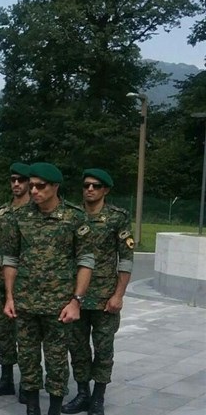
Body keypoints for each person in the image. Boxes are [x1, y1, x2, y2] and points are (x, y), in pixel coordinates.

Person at [1, 162, 95, 415]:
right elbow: (10, 259)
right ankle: (32, 409)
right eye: (31, 186)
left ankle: (54, 410)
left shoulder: (75, 218)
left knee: (56, 362)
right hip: (25, 303)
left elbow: (86, 261)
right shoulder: (19, 217)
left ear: (55, 187)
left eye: (40, 186)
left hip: (59, 306)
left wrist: (76, 301)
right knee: (28, 360)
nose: (33, 191)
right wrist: (9, 297)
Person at [61, 169, 133, 415]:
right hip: (75, 298)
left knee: (103, 350)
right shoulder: (71, 215)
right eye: (86, 185)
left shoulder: (117, 218)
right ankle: (83, 394)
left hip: (104, 298)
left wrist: (119, 295)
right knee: (77, 348)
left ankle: (98, 397)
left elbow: (125, 259)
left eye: (96, 186)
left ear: (106, 190)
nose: (90, 189)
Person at [0, 162, 31, 402]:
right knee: (2, 333)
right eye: (13, 180)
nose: (16, 184)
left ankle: (28, 383)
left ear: (30, 182)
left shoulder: (36, 211)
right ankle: (6, 379)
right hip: (3, 286)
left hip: (30, 286)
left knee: (27, 337)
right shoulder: (1, 213)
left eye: (21, 180)